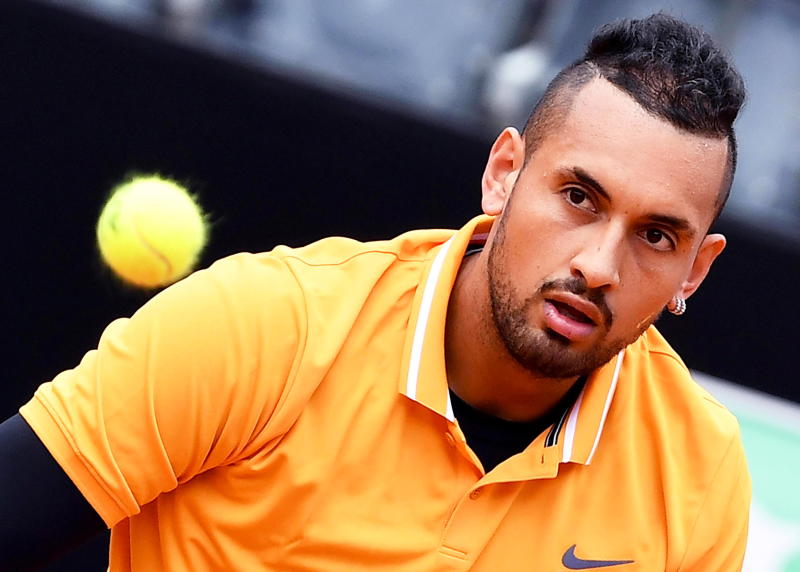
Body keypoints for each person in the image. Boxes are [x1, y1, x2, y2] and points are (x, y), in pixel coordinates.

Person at [0, 12, 750, 571]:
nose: (599, 264)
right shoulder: (264, 325)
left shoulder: (697, 474)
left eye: (657, 236)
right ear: (503, 176)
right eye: (579, 197)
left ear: (695, 270)